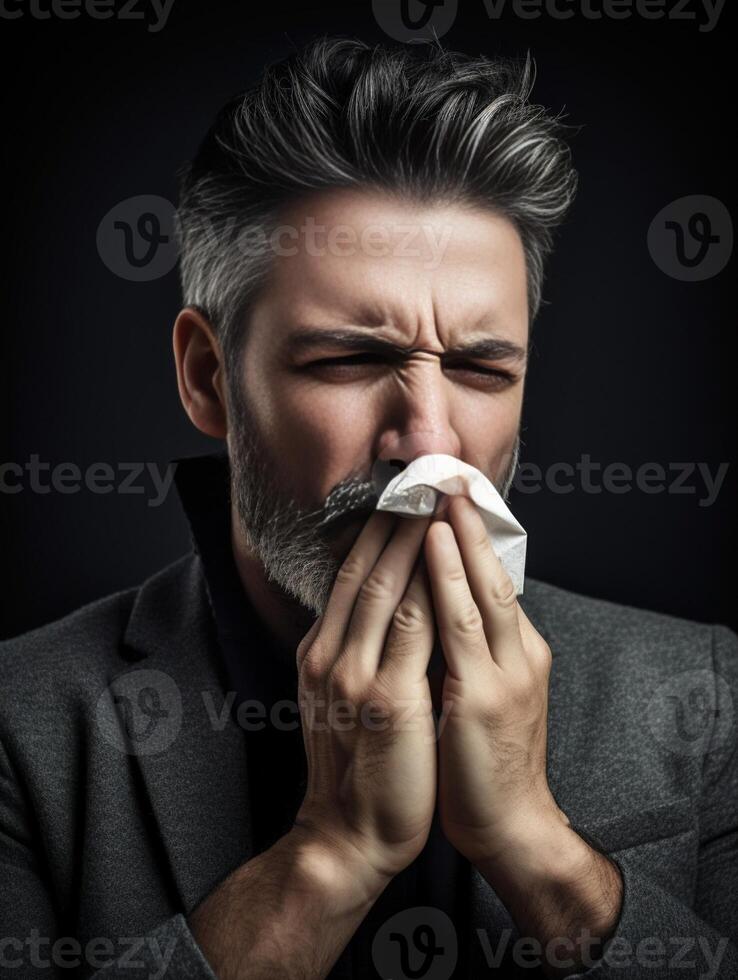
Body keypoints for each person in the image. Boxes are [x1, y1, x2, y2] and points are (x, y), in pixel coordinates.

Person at [1, 37, 736, 980]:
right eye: (348, 361)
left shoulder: (708, 703)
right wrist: (329, 857)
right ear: (208, 377)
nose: (428, 441)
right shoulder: (24, 729)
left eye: (480, 368)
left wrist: (535, 846)